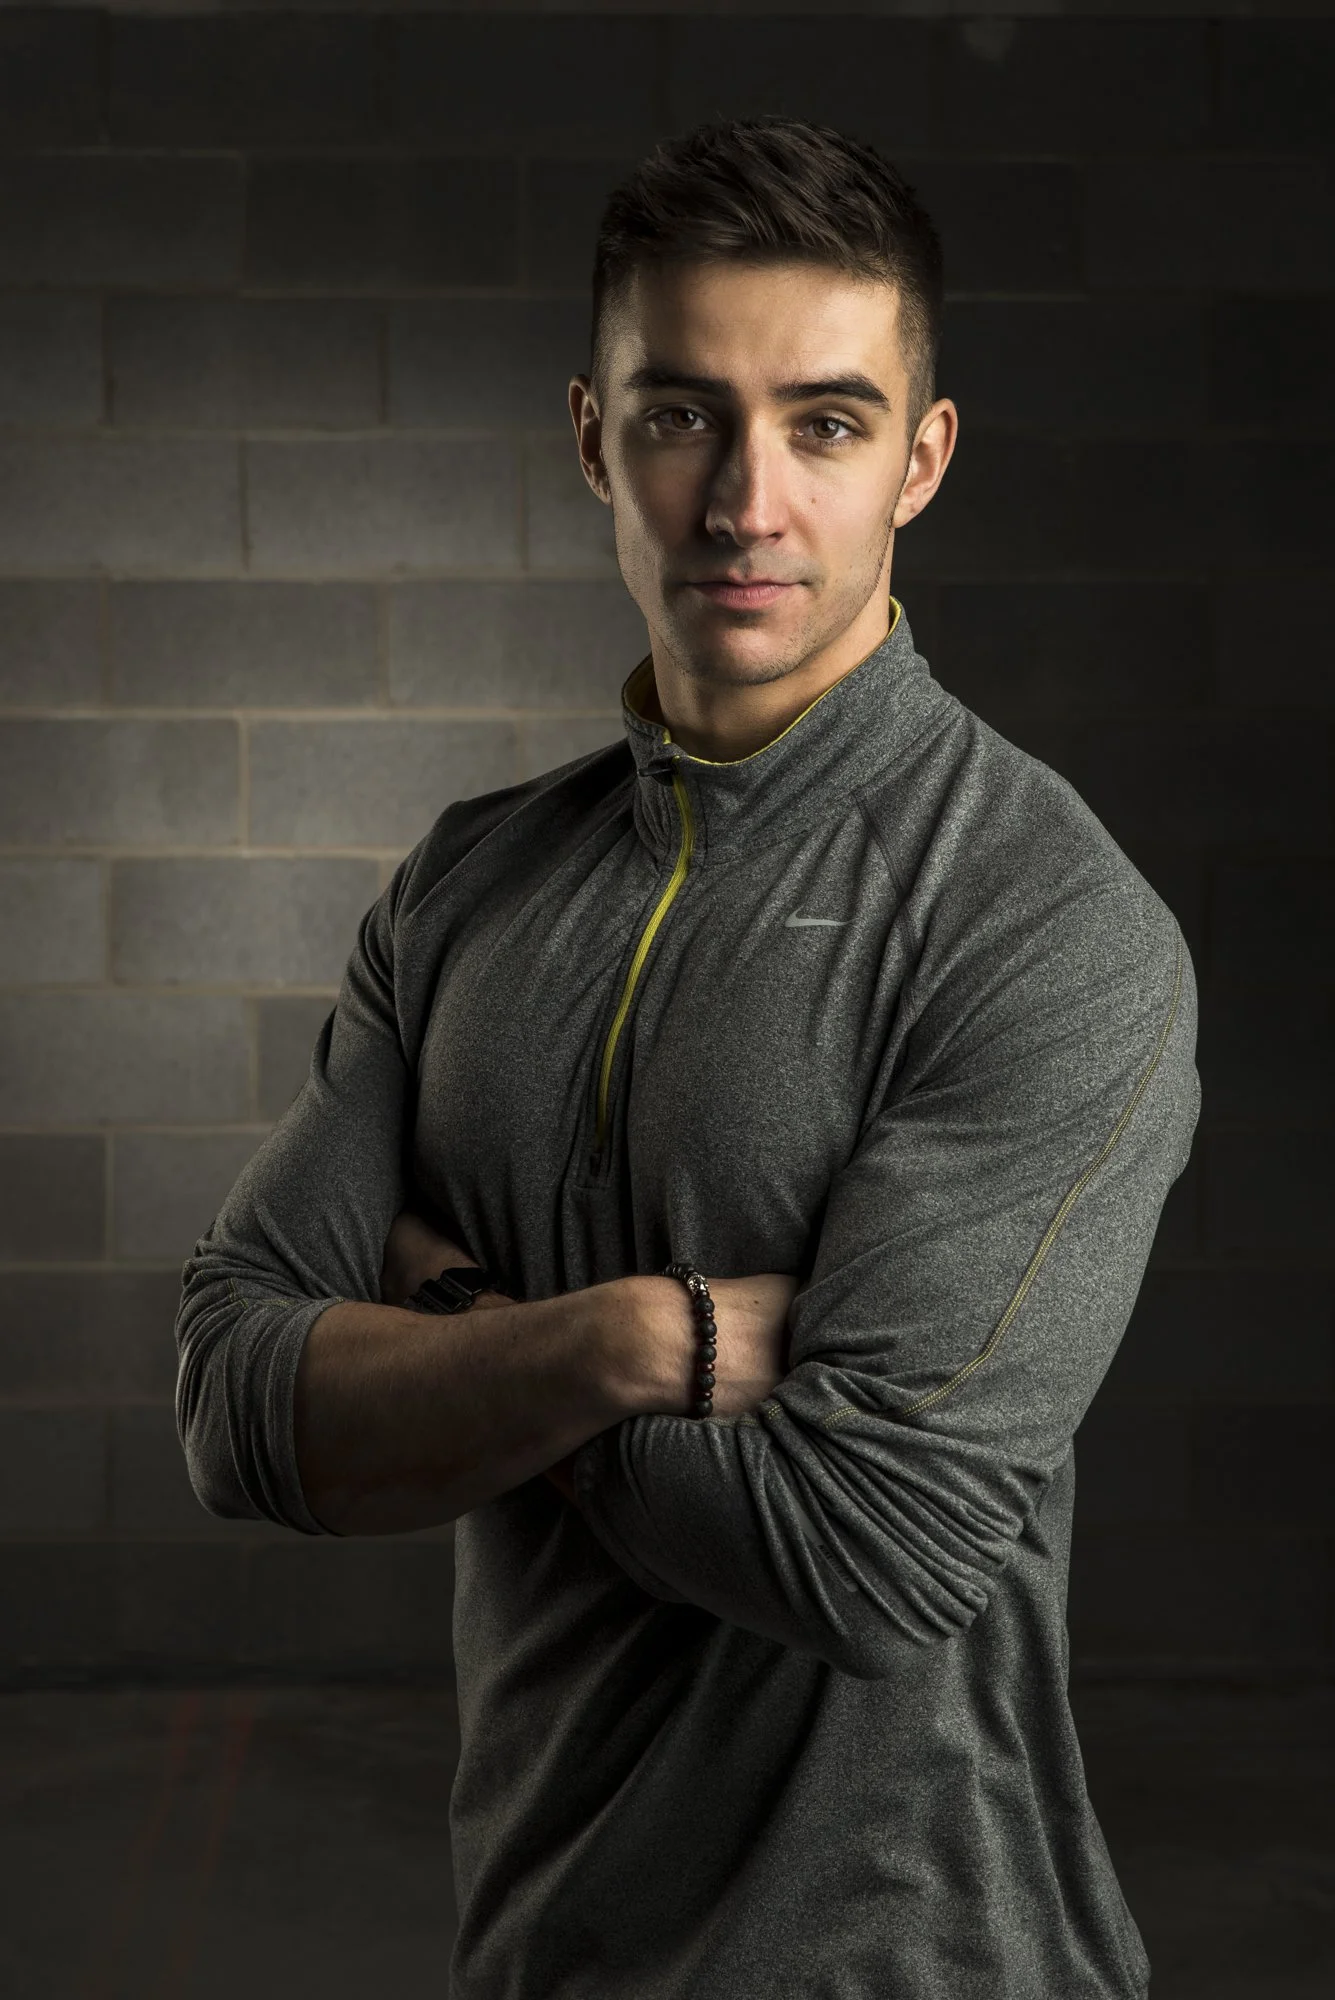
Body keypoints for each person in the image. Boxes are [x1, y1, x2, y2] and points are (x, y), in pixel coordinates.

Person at [176, 117, 1198, 1999]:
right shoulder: (468, 884)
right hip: (538, 1948)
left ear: (921, 460)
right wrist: (638, 1337)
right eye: (679, 416)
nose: (745, 499)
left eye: (823, 423)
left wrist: (441, 1322)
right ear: (591, 438)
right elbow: (236, 1399)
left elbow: (866, 1559)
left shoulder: (1040, 919)